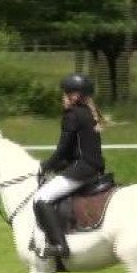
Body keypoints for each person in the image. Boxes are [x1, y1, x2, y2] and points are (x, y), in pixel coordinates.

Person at [33, 73, 106, 259]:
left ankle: (59, 245)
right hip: (93, 167)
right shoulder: (89, 113)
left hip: (82, 170)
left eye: (65, 94)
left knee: (41, 198)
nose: (63, 97)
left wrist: (45, 166)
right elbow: (76, 149)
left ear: (74, 96)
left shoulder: (72, 115)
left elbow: (63, 149)